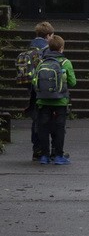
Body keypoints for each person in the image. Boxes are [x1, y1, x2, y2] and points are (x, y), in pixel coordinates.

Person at [34, 34, 76, 165]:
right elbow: (73, 82)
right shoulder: (65, 62)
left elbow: (35, 81)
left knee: (43, 129)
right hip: (60, 101)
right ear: (61, 48)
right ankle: (58, 155)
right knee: (59, 128)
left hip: (43, 101)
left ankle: (44, 156)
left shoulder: (41, 62)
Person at [23, 21, 54, 161]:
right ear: (48, 35)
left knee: (36, 119)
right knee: (46, 119)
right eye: (52, 35)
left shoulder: (31, 48)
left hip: (32, 87)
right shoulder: (47, 49)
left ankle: (36, 148)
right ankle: (45, 149)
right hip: (44, 88)